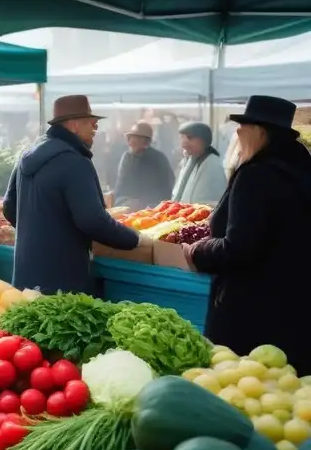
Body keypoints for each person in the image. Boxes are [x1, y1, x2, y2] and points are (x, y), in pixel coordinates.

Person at [184, 96, 311, 374]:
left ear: (261, 132)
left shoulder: (256, 177)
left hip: (252, 315)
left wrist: (198, 250)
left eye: (244, 126)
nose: (238, 133)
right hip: (297, 311)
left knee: (243, 391)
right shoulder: (301, 172)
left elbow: (239, 248)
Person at [4, 96, 141, 295]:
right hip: (62, 281)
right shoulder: (75, 162)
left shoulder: (27, 154)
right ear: (74, 125)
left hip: (25, 276)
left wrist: (40, 233)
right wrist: (134, 239)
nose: (96, 128)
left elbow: (9, 209)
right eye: (91, 124)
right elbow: (92, 220)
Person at [113, 121, 176, 210]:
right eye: (130, 138)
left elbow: (167, 189)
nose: (130, 142)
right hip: (127, 206)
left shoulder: (158, 159)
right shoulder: (127, 157)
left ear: (146, 141)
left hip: (152, 208)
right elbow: (120, 186)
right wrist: (123, 201)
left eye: (135, 139)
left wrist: (146, 204)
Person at [172, 121, 227, 205]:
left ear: (203, 140)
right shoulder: (188, 160)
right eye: (181, 137)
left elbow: (216, 199)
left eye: (189, 138)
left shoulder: (213, 164)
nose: (183, 143)